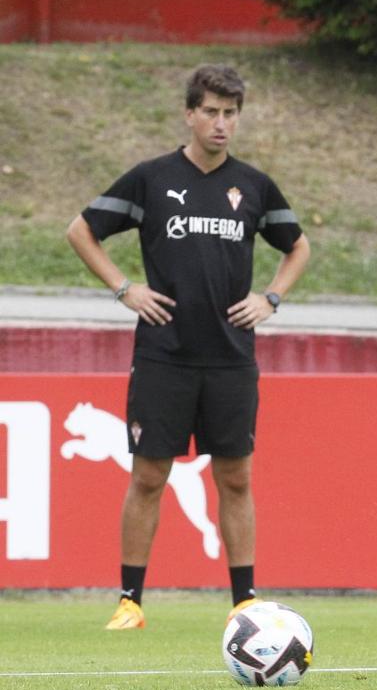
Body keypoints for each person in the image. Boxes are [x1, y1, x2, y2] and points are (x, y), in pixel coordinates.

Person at [66, 64, 310, 630]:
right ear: (189, 113)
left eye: (231, 113)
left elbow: (297, 247)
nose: (221, 123)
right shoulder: (152, 179)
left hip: (231, 358)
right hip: (163, 355)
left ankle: (244, 600)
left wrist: (271, 298)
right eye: (211, 112)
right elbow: (81, 230)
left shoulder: (253, 185)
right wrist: (125, 288)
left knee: (235, 478)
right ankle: (131, 601)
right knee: (149, 476)